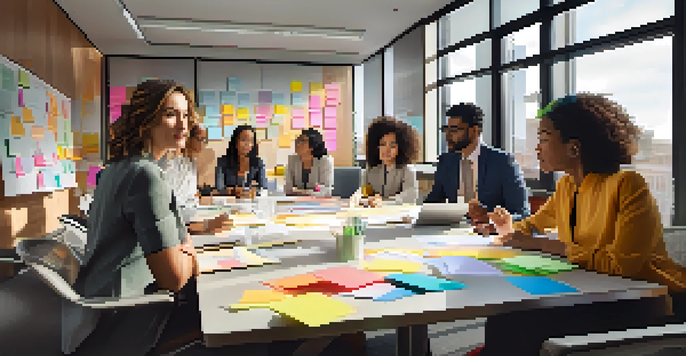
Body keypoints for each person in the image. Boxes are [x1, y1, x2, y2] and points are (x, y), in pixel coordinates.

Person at [474, 93, 686, 356]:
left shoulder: (627, 185)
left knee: (516, 326)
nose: (536, 149)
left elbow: (621, 264)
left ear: (574, 148)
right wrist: (503, 227)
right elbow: (533, 225)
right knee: (504, 318)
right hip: (590, 293)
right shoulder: (567, 186)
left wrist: (542, 244)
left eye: (543, 139)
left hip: (638, 303)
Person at [70, 79, 202, 356]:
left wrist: (184, 249)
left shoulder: (117, 168)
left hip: (100, 311)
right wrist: (191, 257)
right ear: (146, 120)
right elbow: (175, 278)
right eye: (170, 114)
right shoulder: (146, 176)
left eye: (186, 115)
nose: (183, 124)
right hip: (129, 319)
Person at [424, 103, 530, 234]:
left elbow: (522, 214)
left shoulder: (502, 162)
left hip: (488, 236)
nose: (448, 135)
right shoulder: (446, 161)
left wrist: (491, 219)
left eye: (454, 130)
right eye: (446, 129)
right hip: (450, 234)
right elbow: (432, 204)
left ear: (474, 131)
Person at [356, 116, 419, 206]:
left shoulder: (407, 170)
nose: (387, 150)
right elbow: (364, 192)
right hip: (374, 216)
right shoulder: (371, 169)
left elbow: (409, 197)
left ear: (401, 148)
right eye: (382, 144)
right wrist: (358, 197)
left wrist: (384, 202)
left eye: (392, 146)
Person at [215, 125, 267, 199]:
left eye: (251, 141)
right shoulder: (223, 162)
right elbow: (219, 189)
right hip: (229, 204)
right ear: (235, 142)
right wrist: (233, 191)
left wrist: (253, 192)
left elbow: (264, 188)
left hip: (250, 204)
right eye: (243, 140)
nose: (247, 144)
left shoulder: (258, 163)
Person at [285, 128, 334, 196]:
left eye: (302, 141)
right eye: (297, 141)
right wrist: (311, 192)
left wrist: (301, 192)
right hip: (296, 202)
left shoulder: (325, 162)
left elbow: (326, 191)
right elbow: (287, 189)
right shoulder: (292, 160)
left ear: (312, 145)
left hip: (318, 203)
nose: (297, 144)